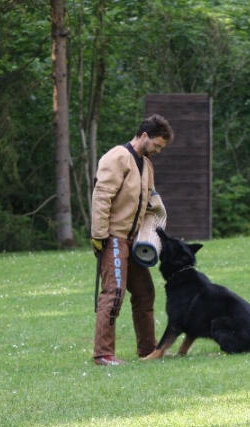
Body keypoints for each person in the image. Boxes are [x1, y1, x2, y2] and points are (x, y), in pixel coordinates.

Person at [90, 114, 174, 366]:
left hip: (134, 241)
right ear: (144, 135)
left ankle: (148, 350)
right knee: (114, 292)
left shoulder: (146, 165)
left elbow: (149, 204)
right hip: (112, 236)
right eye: (157, 145)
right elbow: (101, 197)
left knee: (145, 293)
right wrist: (98, 236)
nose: (158, 150)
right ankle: (103, 354)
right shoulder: (117, 157)